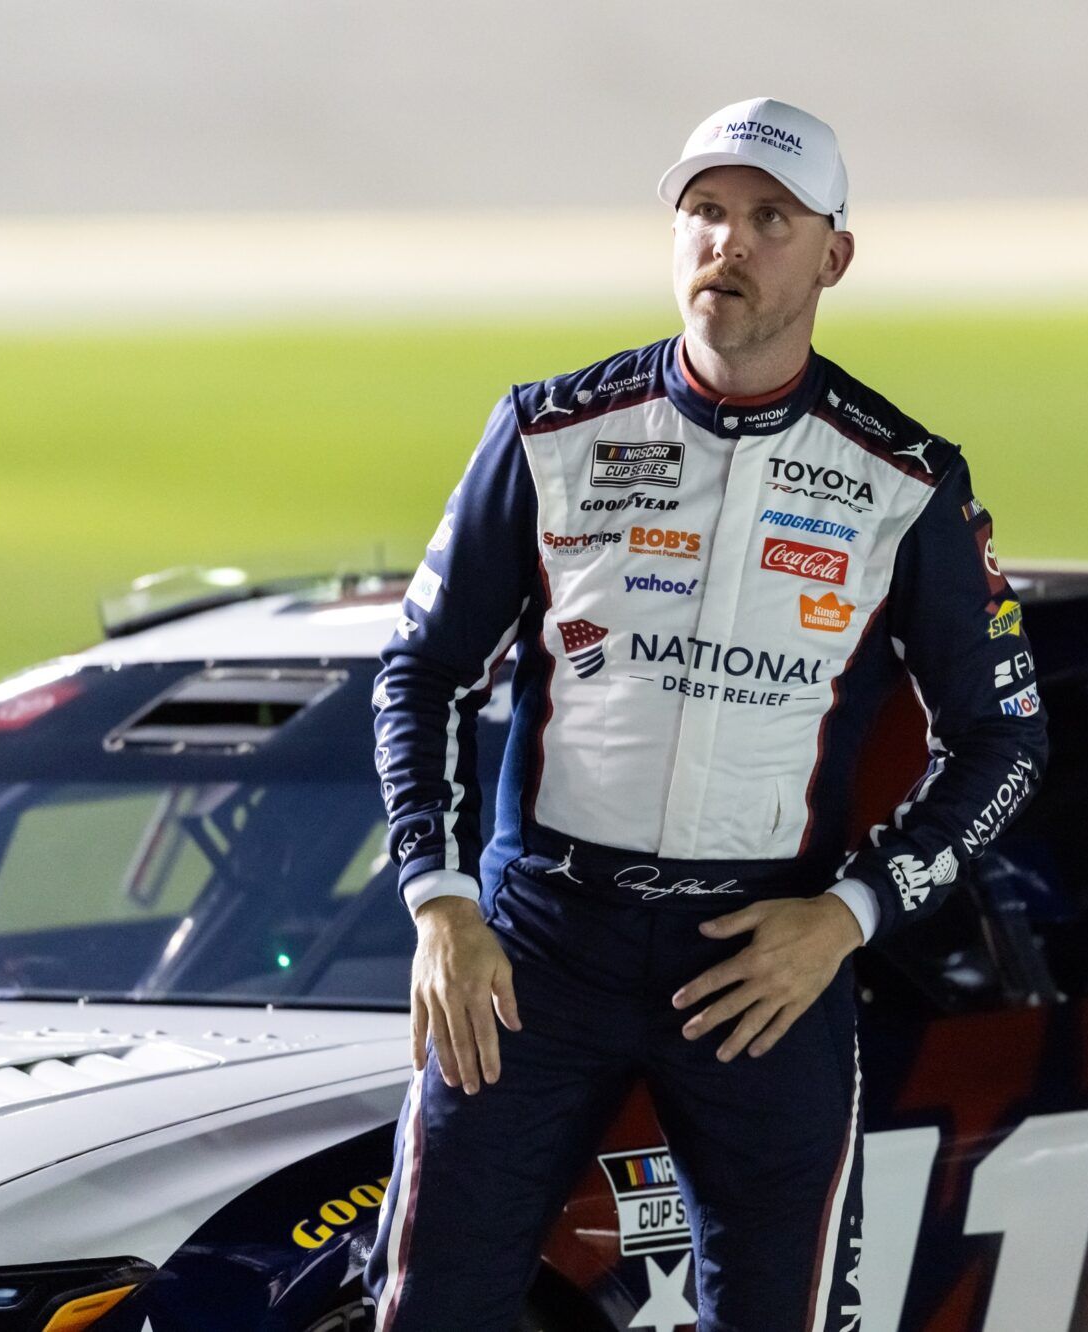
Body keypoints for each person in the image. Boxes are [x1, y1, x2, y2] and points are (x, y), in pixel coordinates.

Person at [365, 96, 1048, 1330]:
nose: (726, 243)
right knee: (430, 1308)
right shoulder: (550, 429)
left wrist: (848, 917)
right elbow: (419, 668)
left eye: (768, 219)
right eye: (705, 213)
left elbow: (1004, 741)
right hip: (536, 951)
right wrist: (440, 900)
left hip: (760, 963)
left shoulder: (904, 478)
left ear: (834, 255)